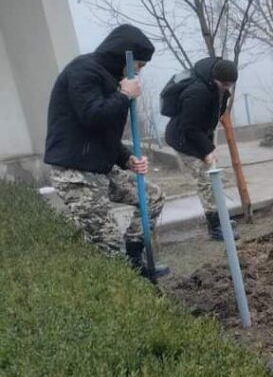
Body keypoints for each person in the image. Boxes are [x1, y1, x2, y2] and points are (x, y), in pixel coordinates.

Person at [43, 24, 167, 279]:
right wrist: (123, 95)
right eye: (139, 65)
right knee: (109, 246)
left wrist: (126, 158)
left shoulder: (109, 78)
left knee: (152, 197)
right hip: (76, 174)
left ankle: (134, 261)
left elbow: (102, 134)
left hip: (101, 169)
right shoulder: (83, 71)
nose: (139, 72)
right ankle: (127, 285)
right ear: (124, 57)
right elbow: (93, 116)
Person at [163, 57, 239, 241]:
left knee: (213, 177)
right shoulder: (197, 93)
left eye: (230, 84)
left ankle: (221, 218)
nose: (227, 88)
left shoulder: (218, 88)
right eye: (225, 84)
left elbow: (210, 118)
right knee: (207, 178)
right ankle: (215, 227)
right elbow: (188, 127)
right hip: (183, 139)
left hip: (198, 136)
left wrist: (209, 146)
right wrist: (206, 151)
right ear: (215, 79)